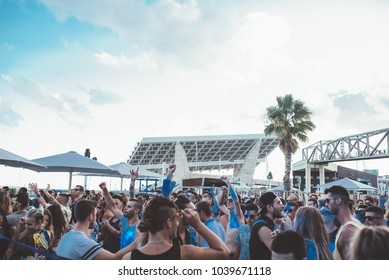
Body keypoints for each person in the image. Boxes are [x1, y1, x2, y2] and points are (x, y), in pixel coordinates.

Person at [123, 196, 229, 260]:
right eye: (175, 220)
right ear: (169, 222)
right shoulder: (186, 253)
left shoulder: (128, 258)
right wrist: (198, 225)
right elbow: (224, 253)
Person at [57, 199, 135, 259]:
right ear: (91, 216)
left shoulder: (65, 236)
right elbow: (114, 258)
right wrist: (137, 241)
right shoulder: (84, 243)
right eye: (95, 214)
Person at [99, 181, 142, 249]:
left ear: (137, 210)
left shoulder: (140, 225)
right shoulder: (124, 220)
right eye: (126, 206)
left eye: (129, 207)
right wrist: (105, 190)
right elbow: (112, 206)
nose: (125, 208)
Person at [325, 185, 363, 260]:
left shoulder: (349, 230)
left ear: (338, 201)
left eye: (328, 200)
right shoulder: (350, 225)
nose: (326, 204)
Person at [249, 191, 284, 260]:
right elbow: (279, 253)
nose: (282, 206)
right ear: (269, 208)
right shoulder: (262, 226)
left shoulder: (268, 223)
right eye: (279, 203)